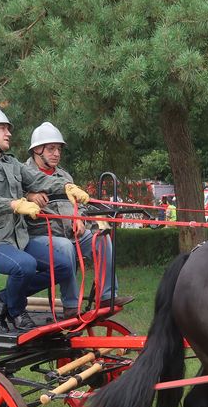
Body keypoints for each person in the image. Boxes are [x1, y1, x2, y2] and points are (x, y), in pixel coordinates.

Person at [0, 105, 75, 331]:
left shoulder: (10, 162)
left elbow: (37, 180)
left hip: (15, 239)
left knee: (65, 267)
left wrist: (67, 186)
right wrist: (14, 204)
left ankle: (2, 298)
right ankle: (16, 311)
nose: (9, 133)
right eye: (2, 128)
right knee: (25, 265)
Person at [24, 121, 129, 315]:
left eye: (59, 149)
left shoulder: (64, 176)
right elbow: (11, 198)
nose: (57, 153)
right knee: (65, 247)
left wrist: (78, 218)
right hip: (40, 237)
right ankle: (71, 305)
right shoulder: (22, 173)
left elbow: (79, 205)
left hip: (71, 233)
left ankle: (107, 297)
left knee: (102, 239)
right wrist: (29, 196)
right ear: (37, 150)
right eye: (51, 149)